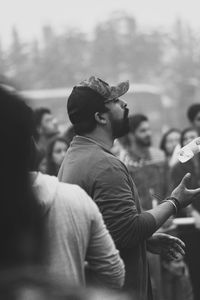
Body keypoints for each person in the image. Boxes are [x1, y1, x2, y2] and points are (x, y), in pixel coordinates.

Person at [58, 76, 200, 300]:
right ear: (100, 117)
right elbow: (129, 230)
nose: (125, 105)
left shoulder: (75, 155)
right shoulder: (104, 165)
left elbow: (108, 229)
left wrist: (144, 242)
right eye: (116, 101)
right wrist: (174, 202)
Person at [170, 127, 200, 300]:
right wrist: (194, 214)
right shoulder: (177, 169)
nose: (191, 140)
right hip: (190, 226)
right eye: (186, 137)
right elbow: (181, 194)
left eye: (194, 136)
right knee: (196, 269)